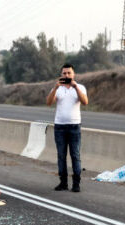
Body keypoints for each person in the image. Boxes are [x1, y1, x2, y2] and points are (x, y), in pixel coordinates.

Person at [46, 63, 88, 192]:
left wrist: (75, 87)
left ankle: (76, 183)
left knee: (75, 155)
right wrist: (55, 88)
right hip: (60, 127)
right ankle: (63, 182)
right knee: (61, 155)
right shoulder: (57, 88)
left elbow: (85, 102)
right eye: (64, 73)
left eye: (69, 73)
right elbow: (48, 103)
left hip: (74, 126)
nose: (67, 75)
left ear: (73, 74)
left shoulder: (80, 87)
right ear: (61, 75)